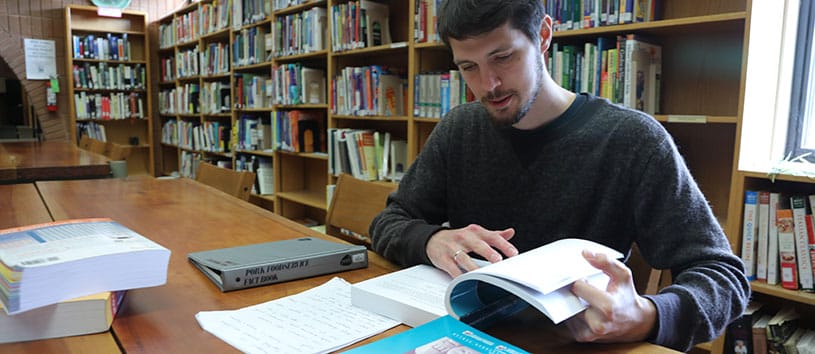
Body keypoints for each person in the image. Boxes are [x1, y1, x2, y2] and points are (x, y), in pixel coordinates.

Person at [368, 0, 750, 352]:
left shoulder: (633, 140)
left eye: (503, 57)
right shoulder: (459, 128)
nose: (488, 85)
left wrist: (647, 315)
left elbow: (723, 277)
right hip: (466, 337)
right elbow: (389, 221)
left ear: (544, 36)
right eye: (469, 67)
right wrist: (431, 239)